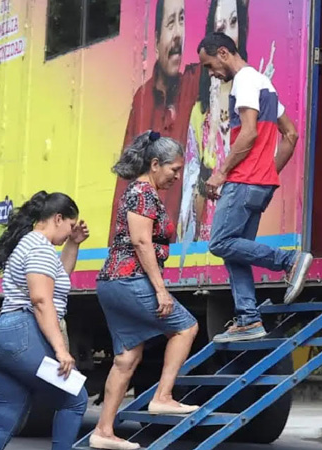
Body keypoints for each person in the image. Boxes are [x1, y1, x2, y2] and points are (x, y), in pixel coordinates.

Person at [197, 33, 313, 342]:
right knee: (236, 251)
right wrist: (268, 171)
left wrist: (221, 172)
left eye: (210, 65)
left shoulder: (245, 81)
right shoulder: (265, 83)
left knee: (220, 242)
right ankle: (249, 319)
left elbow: (247, 134)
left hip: (243, 181)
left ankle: (289, 260)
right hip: (260, 183)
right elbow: (291, 134)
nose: (211, 73)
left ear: (223, 53)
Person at [91, 131, 200, 450]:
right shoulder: (143, 193)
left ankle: (103, 431)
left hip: (113, 282)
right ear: (155, 164)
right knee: (185, 328)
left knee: (127, 357)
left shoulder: (139, 191)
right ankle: (163, 396)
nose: (177, 176)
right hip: (129, 279)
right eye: (174, 170)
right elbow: (141, 242)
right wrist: (161, 290)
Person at [0, 191, 90, 450]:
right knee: (74, 398)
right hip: (22, 333)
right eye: (70, 226)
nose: (69, 232)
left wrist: (74, 243)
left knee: (5, 415)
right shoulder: (41, 248)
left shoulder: (30, 245)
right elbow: (42, 300)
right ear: (58, 218)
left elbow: (59, 278)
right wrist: (62, 350)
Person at [108, 0, 201, 244]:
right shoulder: (142, 98)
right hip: (145, 240)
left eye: (182, 20)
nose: (178, 33)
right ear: (157, 40)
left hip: (177, 242)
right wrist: (115, 247)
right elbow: (125, 178)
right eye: (171, 23)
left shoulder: (193, 82)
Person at [179, 0, 250, 243]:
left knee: (229, 247)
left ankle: (283, 259)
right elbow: (191, 184)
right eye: (220, 26)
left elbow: (254, 136)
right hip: (211, 221)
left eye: (233, 23)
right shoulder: (200, 113)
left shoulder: (251, 87)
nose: (227, 34)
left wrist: (221, 174)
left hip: (242, 201)